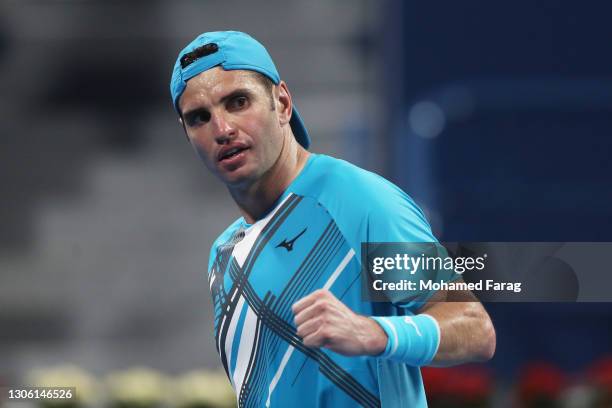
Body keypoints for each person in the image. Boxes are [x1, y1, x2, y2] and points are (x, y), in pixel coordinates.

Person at [170, 30, 495, 408]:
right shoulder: (222, 256)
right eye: (199, 118)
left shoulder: (358, 201)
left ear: (283, 103)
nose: (222, 129)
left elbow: (474, 326)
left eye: (238, 102)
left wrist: (376, 333)